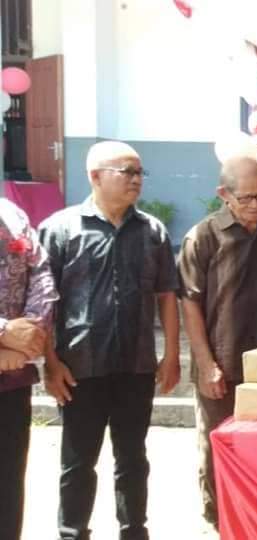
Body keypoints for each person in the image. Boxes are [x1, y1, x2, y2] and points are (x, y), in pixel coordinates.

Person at [39, 141, 182, 540]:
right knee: (78, 462)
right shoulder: (61, 229)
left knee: (133, 458)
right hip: (78, 368)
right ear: (95, 176)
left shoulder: (152, 231)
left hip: (136, 366)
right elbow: (44, 303)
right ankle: (72, 532)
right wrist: (50, 363)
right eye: (127, 172)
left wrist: (172, 355)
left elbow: (166, 295)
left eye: (139, 173)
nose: (136, 180)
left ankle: (133, 530)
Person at [178, 157, 257, 530]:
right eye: (246, 198)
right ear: (223, 194)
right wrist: (206, 364)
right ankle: (220, 522)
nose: (256, 205)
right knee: (218, 446)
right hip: (221, 362)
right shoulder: (203, 237)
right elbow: (189, 303)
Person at [0, 198, 57, 540]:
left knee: (7, 487)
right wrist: (3, 333)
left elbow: (42, 280)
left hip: (12, 382)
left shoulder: (13, 216)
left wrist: (26, 341)